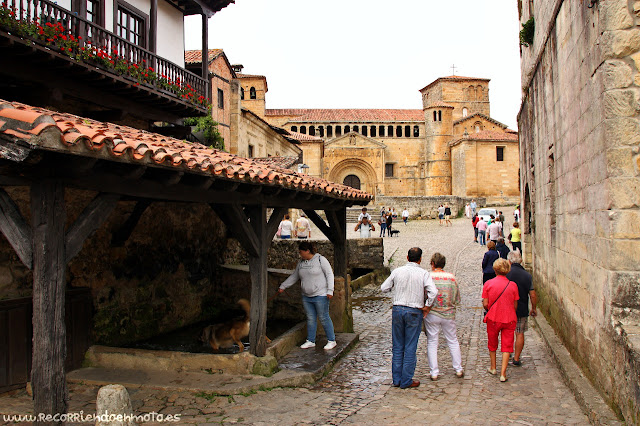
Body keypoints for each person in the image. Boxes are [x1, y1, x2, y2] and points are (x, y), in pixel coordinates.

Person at [381, 247, 438, 389]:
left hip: (398, 309)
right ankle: (406, 380)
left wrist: (396, 289)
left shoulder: (397, 271)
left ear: (407, 257)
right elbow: (433, 291)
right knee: (410, 346)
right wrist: (427, 306)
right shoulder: (423, 273)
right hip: (414, 310)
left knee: (398, 345)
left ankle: (397, 379)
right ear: (420, 259)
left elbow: (384, 288)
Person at [278, 242, 337, 350]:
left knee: (323, 317)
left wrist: (330, 290)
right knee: (310, 318)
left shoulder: (321, 260)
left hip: (321, 294)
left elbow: (329, 274)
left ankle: (331, 340)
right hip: (306, 296)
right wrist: (283, 286)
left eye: (301, 252)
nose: (300, 254)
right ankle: (310, 340)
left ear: (307, 251)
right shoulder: (301, 263)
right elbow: (295, 276)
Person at [424, 253, 464, 381]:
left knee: (432, 341)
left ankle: (434, 372)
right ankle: (458, 368)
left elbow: (424, 294)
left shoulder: (428, 276)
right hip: (448, 313)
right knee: (452, 340)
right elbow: (456, 298)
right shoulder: (451, 278)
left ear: (433, 263)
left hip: (432, 313)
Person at [482, 258, 519, 382]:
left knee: (492, 343)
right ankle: (503, 373)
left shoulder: (488, 284)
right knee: (507, 345)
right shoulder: (513, 285)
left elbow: (486, 304)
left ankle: (493, 367)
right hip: (509, 318)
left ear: (495, 269)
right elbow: (515, 305)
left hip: (493, 317)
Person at [506, 250, 537, 366]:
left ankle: (507, 352)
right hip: (522, 308)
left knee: (508, 332)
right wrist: (533, 308)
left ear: (509, 261)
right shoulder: (527, 276)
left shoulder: (506, 274)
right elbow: (532, 294)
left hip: (508, 308)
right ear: (521, 260)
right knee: (519, 333)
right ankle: (517, 358)